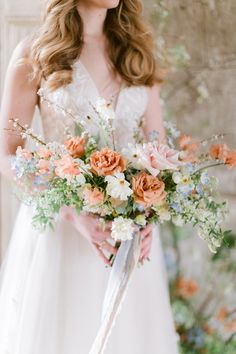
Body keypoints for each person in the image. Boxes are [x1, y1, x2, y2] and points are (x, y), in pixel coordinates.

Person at [0, 0, 179, 353]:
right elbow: (7, 153)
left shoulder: (138, 54)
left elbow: (159, 154)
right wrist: (70, 211)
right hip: (62, 237)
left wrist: (149, 218)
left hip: (127, 241)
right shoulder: (35, 53)